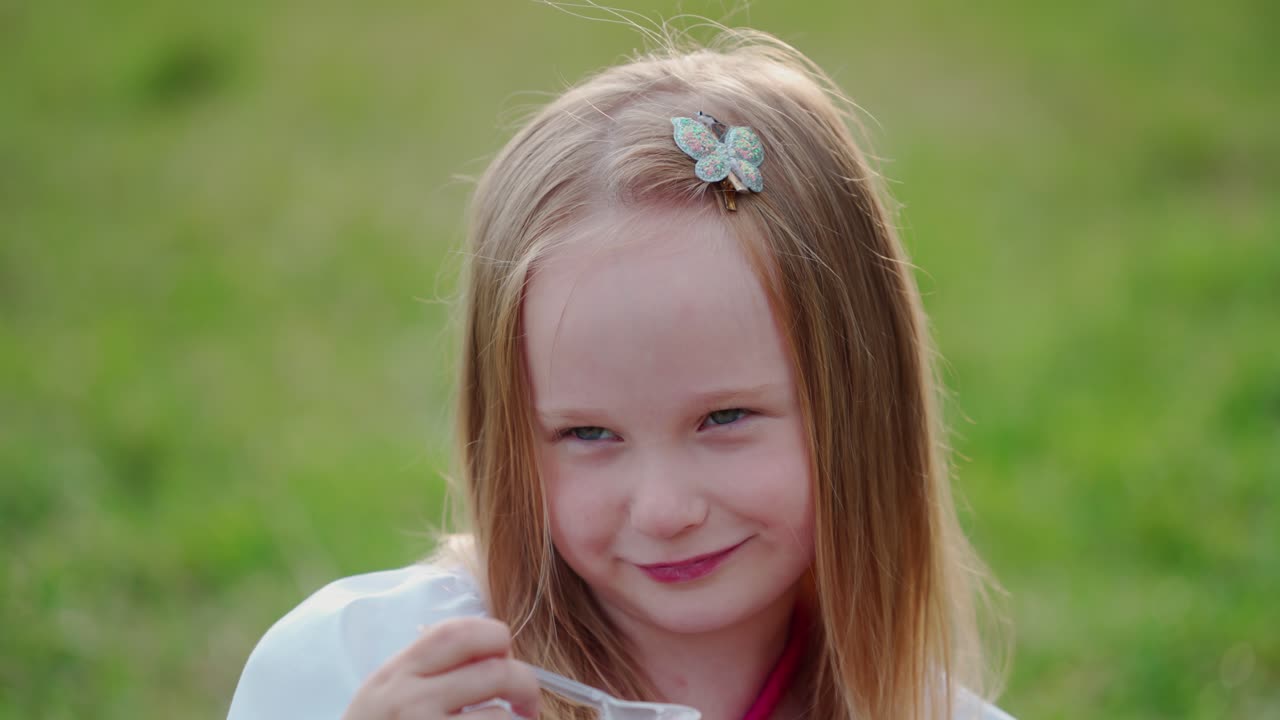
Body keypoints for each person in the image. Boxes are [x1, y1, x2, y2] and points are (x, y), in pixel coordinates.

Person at [227, 28, 1014, 720]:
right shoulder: (364, 671)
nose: (663, 509)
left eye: (724, 418)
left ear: (861, 403)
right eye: (588, 432)